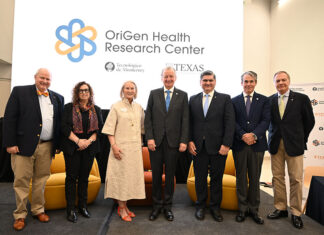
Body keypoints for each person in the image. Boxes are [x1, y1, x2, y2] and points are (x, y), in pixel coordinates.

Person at [2, 68, 64, 231]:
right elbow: (9, 118)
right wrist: (10, 143)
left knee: (41, 179)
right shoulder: (20, 92)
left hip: (47, 145)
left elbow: (58, 124)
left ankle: (38, 210)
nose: (44, 81)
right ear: (35, 77)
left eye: (48, 79)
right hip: (22, 145)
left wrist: (57, 145)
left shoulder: (58, 97)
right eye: (42, 78)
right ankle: (20, 215)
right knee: (21, 180)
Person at [267, 71, 315, 229]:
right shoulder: (270, 100)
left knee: (296, 179)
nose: (281, 83)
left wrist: (301, 138)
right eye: (278, 81)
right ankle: (280, 208)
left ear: (289, 81)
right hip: (275, 144)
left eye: (283, 80)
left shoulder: (301, 99)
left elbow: (309, 121)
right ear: (274, 83)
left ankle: (295, 212)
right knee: (277, 177)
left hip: (294, 144)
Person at [188, 70, 235, 222]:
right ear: (200, 82)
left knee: (216, 179)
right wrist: (189, 141)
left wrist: (226, 144)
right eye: (205, 80)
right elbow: (189, 123)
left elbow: (230, 123)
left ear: (215, 82)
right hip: (198, 148)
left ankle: (215, 208)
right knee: (200, 179)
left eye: (210, 80)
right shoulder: (193, 99)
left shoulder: (225, 99)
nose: (207, 83)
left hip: (219, 148)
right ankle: (200, 207)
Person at [144, 67, 189, 221]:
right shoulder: (153, 93)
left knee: (170, 176)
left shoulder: (182, 95)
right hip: (155, 143)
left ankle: (168, 207)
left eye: (171, 76)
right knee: (156, 175)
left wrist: (183, 141)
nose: (168, 79)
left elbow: (185, 120)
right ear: (161, 78)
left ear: (175, 78)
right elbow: (148, 117)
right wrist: (149, 138)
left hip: (174, 143)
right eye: (166, 76)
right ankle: (156, 206)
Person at [102, 81, 145, 222]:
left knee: (129, 179)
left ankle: (125, 207)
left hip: (134, 151)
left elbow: (142, 129)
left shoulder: (139, 107)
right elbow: (109, 130)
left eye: (132, 88)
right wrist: (114, 146)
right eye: (127, 88)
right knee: (121, 179)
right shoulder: (116, 106)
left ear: (136, 91)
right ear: (123, 90)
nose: (130, 90)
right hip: (120, 149)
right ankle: (121, 208)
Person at [60, 81, 103, 223]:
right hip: (73, 148)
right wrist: (78, 141)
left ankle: (82, 206)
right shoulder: (68, 108)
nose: (84, 92)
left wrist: (87, 142)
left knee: (84, 178)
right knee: (71, 178)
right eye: (81, 90)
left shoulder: (96, 109)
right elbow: (64, 128)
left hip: (89, 149)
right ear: (77, 93)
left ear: (90, 93)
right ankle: (71, 209)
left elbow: (98, 130)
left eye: (86, 90)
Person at [232, 71, 270, 224]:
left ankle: (254, 210)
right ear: (241, 83)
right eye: (246, 81)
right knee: (241, 178)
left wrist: (253, 135)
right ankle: (242, 209)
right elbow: (232, 122)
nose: (248, 84)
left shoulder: (264, 100)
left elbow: (266, 121)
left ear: (256, 82)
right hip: (240, 145)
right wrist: (243, 135)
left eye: (251, 81)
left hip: (257, 145)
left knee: (255, 178)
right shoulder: (233, 101)